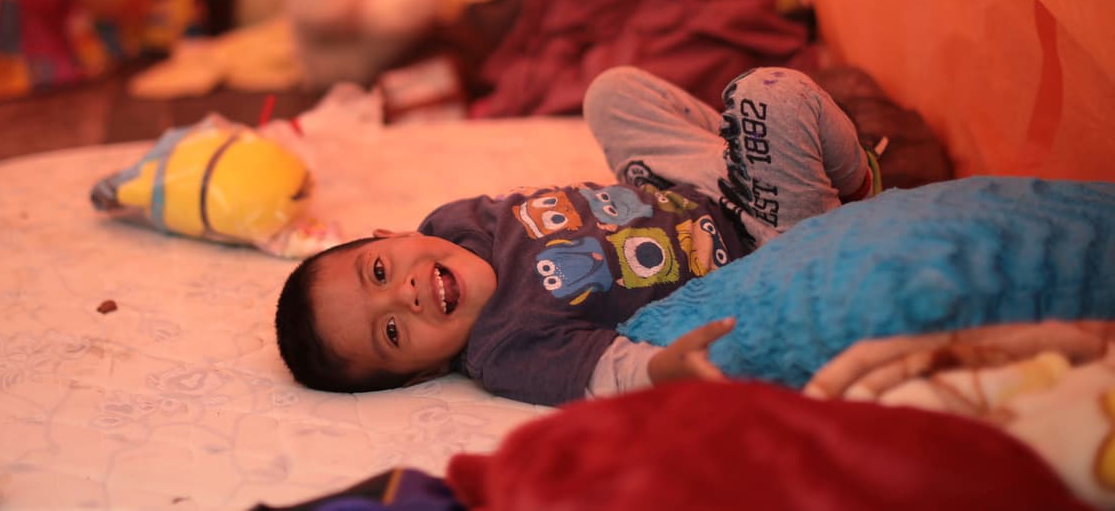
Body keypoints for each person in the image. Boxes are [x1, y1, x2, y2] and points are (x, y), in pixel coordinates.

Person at [275, 66, 880, 406]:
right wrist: (666, 370)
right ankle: (848, 198)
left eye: (379, 271)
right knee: (769, 96)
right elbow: (609, 374)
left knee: (611, 93)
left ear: (391, 234)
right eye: (391, 331)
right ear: (420, 373)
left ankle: (787, 166)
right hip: (753, 246)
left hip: (682, 187)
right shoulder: (506, 349)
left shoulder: (451, 223)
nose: (402, 294)